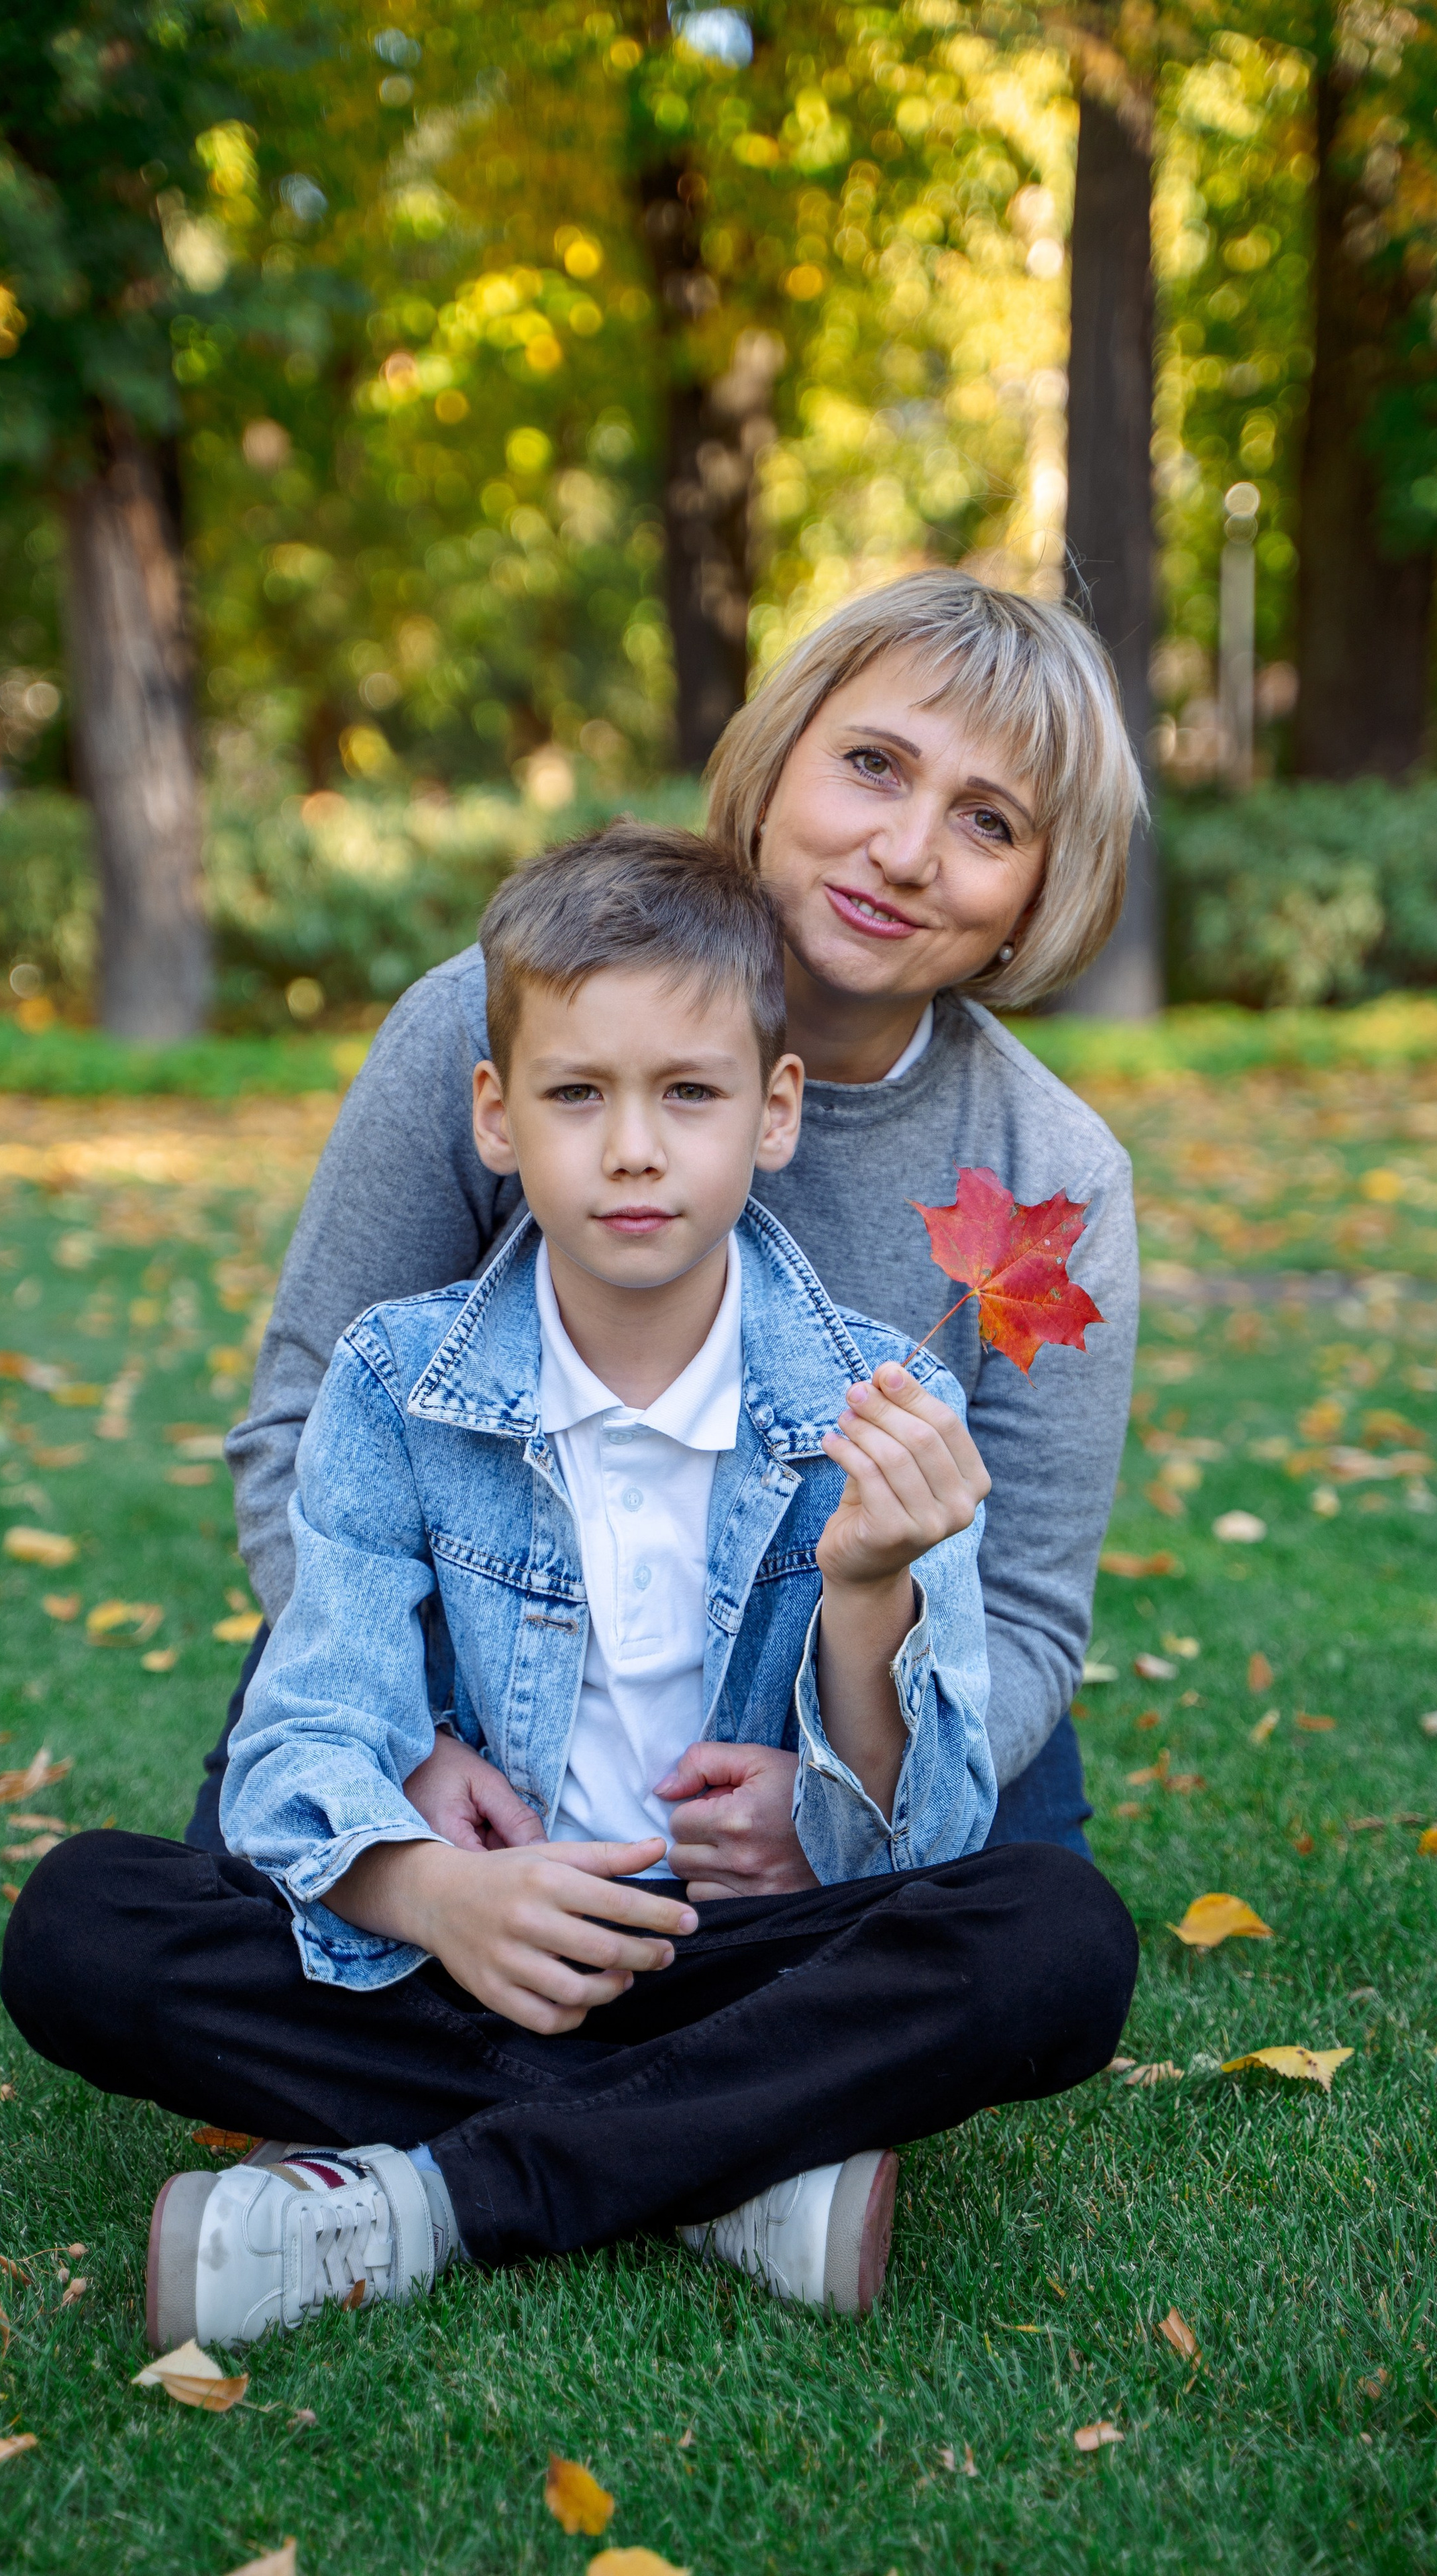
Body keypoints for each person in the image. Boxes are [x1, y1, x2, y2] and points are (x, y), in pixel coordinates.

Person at [1, 832, 1138, 2350]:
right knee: (79, 1921)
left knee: (1053, 1934)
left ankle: (419, 2200)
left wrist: (867, 1585)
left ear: (773, 1111)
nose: (632, 1150)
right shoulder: (397, 1386)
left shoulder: (881, 1401)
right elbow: (299, 1744)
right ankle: (729, 2168)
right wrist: (431, 1891)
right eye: (576, 1095)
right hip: (460, 1950)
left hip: (733, 1962)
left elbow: (912, 1843)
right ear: (494, 1114)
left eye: (688, 1094)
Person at [194, 568, 1143, 1891]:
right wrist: (411, 1744)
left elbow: (1028, 1612)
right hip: (461, 1663)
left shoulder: (1051, 1181)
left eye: (987, 822)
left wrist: (823, 1814)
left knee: (1044, 1944)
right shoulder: (491, 1025)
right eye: (872, 765)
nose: (908, 848)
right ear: (773, 765)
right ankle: (646, 2056)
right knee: (189, 1908)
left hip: (861, 1705)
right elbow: (304, 1418)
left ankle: (576, 2083)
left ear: (1039, 889)